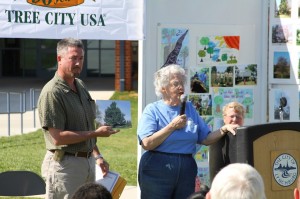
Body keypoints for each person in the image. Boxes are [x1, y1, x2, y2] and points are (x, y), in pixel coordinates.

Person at [137, 64, 240, 199]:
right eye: (175, 83)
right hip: (158, 167)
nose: (181, 87)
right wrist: (172, 127)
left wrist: (224, 129)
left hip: (186, 169)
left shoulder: (190, 108)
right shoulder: (152, 110)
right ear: (163, 88)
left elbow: (206, 138)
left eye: (182, 83)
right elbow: (147, 143)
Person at [38, 38, 119, 199]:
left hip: (87, 162)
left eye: (81, 58)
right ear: (59, 59)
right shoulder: (52, 93)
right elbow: (57, 138)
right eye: (73, 58)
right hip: (65, 166)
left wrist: (98, 156)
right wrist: (95, 134)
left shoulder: (80, 85)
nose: (78, 63)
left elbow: (87, 126)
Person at [209, 101, 245, 182]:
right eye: (231, 116)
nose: (235, 119)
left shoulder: (247, 136)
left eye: (238, 117)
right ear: (224, 118)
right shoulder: (216, 137)